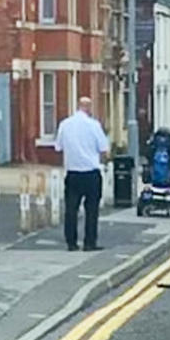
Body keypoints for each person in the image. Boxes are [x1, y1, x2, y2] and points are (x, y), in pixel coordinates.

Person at [54, 96, 110, 251]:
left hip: (72, 173)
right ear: (89, 107)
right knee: (92, 210)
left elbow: (58, 148)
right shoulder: (94, 125)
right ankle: (89, 243)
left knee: (71, 209)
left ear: (77, 106)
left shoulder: (65, 125)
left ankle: (71, 243)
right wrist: (104, 161)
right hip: (91, 172)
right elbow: (104, 150)